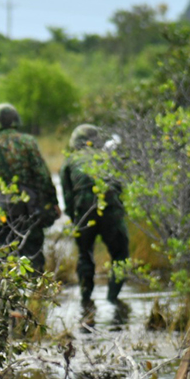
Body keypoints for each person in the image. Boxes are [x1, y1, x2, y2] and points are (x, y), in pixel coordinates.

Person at [0, 103, 60, 271]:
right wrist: (53, 201)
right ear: (15, 120)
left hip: (3, 213)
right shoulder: (28, 143)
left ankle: (7, 295)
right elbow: (43, 176)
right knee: (34, 259)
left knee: (1, 260)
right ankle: (38, 295)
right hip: (30, 209)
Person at [60, 124, 130, 304]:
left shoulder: (69, 161)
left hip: (84, 212)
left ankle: (85, 300)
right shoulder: (109, 158)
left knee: (84, 254)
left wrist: (75, 219)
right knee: (120, 255)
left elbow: (68, 198)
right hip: (112, 212)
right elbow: (121, 189)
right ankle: (113, 300)